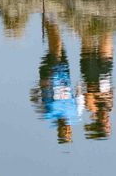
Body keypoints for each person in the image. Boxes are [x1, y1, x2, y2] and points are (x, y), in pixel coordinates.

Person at [29, 14, 83, 144]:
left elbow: (33, 98)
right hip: (64, 71)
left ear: (58, 131)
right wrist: (79, 86)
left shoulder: (48, 114)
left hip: (49, 72)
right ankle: (48, 17)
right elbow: (80, 94)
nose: (66, 130)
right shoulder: (76, 114)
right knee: (58, 44)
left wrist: (42, 85)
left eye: (64, 133)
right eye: (69, 132)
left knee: (56, 45)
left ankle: (49, 15)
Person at [81, 31, 115, 140]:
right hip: (105, 73)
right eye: (108, 124)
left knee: (87, 38)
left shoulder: (91, 108)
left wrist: (100, 96)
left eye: (105, 124)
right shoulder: (110, 107)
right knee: (106, 34)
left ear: (99, 123)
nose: (107, 120)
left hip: (91, 74)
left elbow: (88, 93)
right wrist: (105, 96)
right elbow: (113, 92)